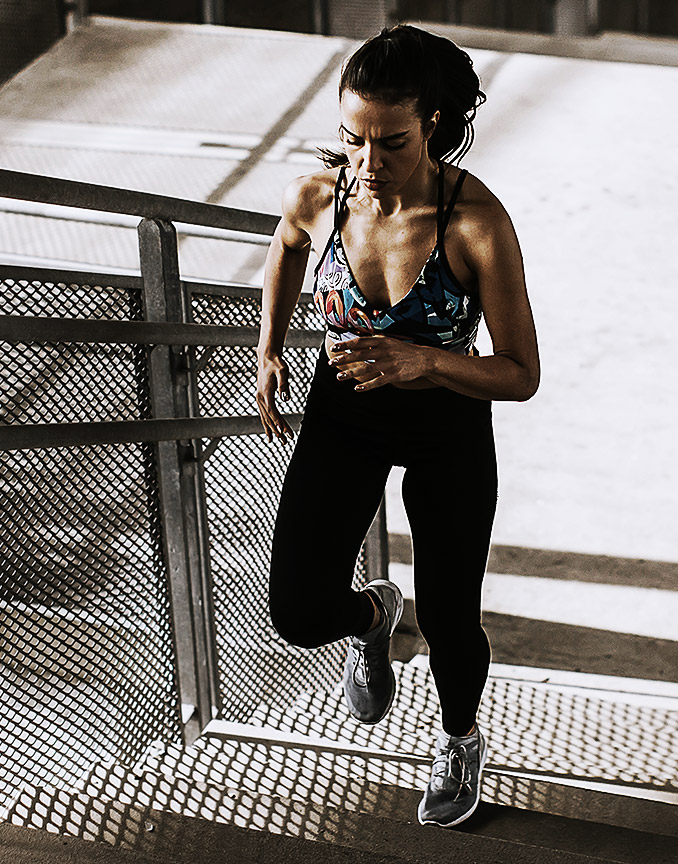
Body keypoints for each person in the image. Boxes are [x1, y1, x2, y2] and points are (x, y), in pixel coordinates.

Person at [254, 25, 539, 828]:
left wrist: (429, 364)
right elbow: (284, 246)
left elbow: (521, 373)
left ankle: (458, 737)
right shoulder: (321, 193)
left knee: (451, 618)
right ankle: (373, 616)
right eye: (354, 138)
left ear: (439, 124)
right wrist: (270, 348)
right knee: (297, 611)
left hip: (447, 420)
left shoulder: (474, 221)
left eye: (393, 142)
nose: (368, 163)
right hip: (346, 404)